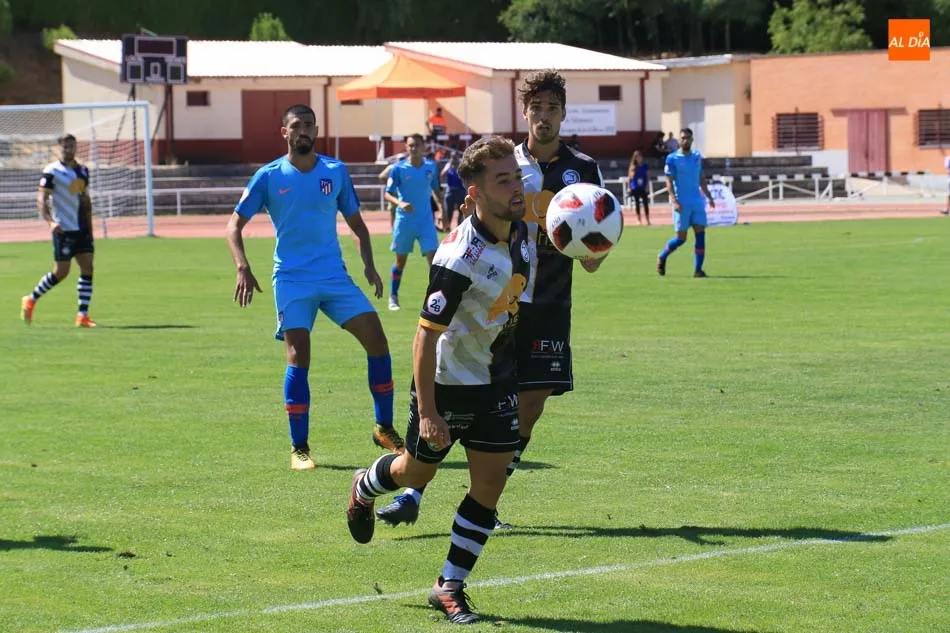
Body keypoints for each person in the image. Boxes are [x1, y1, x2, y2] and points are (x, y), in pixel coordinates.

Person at [376, 70, 607, 530]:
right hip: (492, 300)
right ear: (524, 112)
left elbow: (593, 255)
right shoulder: (504, 162)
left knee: (530, 406)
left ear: (564, 113)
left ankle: (485, 498)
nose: (543, 116)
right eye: (536, 108)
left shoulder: (584, 169)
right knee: (469, 396)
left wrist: (593, 245)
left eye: (552, 108)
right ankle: (412, 491)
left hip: (551, 302)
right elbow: (469, 223)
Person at [346, 135, 528, 625]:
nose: (516, 187)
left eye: (516, 176)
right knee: (415, 474)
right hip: (447, 386)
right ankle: (365, 486)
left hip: (497, 381)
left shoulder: (521, 229)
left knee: (489, 485)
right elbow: (425, 337)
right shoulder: (457, 259)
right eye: (503, 180)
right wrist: (427, 412)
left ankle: (448, 585)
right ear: (475, 193)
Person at [226, 104, 404, 471]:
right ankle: (300, 448)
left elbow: (357, 224)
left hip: (334, 277)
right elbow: (234, 225)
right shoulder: (268, 176)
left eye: (309, 125)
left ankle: (383, 428)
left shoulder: (335, 171)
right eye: (297, 126)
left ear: (316, 130)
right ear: (285, 132)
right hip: (292, 279)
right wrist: (242, 266)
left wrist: (369, 265)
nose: (304, 131)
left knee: (377, 340)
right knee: (299, 355)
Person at [21, 134, 97, 328]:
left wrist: (90, 227)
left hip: (81, 228)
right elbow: (42, 199)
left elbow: (85, 200)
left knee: (88, 268)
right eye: (65, 147)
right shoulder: (51, 171)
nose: (69, 150)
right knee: (61, 272)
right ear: (59, 148)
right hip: (63, 229)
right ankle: (31, 299)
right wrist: (50, 223)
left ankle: (82, 315)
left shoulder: (83, 171)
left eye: (72, 146)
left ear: (76, 147)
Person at [384, 133, 443, 311]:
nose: (413, 148)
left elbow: (436, 190)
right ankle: (393, 296)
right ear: (406, 147)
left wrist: (443, 211)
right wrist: (400, 203)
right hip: (405, 222)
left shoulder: (431, 167)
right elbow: (387, 193)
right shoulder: (398, 168)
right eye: (410, 145)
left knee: (434, 261)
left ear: (423, 146)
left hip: (426, 222)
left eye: (417, 145)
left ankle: (435, 300)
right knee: (400, 262)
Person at [656, 127, 715, 278]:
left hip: (697, 202)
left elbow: (701, 177)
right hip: (681, 203)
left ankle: (698, 270)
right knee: (681, 238)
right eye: (683, 138)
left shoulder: (696, 156)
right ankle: (662, 256)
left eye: (688, 138)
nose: (685, 140)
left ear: (692, 139)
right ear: (679, 140)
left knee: (700, 235)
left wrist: (709, 196)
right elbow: (669, 181)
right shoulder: (672, 158)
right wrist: (674, 200)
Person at [441, 152, 467, 231]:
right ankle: (447, 227)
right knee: (449, 210)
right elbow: (442, 175)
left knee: (461, 210)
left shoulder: (462, 165)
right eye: (452, 157)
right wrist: (449, 167)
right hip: (450, 191)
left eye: (455, 157)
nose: (454, 159)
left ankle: (459, 228)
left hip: (460, 190)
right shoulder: (448, 165)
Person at [628, 149, 650, 225]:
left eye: (639, 156)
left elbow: (647, 176)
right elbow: (630, 178)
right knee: (637, 203)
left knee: (645, 203)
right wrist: (629, 187)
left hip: (643, 186)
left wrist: (647, 186)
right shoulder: (632, 166)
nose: (638, 158)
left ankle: (647, 220)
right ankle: (639, 220)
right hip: (635, 187)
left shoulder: (645, 166)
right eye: (636, 157)